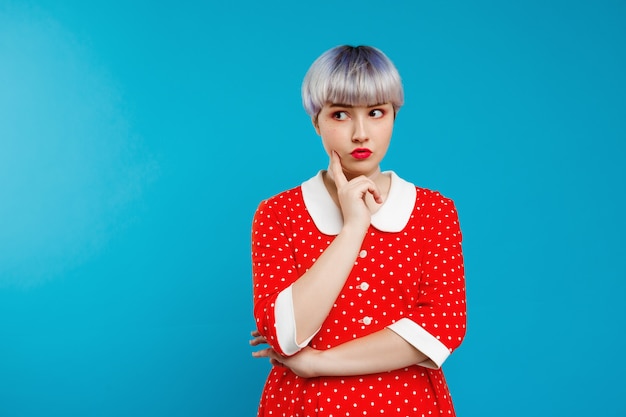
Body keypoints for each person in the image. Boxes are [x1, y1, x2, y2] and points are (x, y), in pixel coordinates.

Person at [249, 45, 466, 417]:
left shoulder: (434, 212)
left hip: (407, 405)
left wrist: (317, 363)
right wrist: (353, 228)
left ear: (394, 116)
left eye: (376, 112)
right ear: (316, 121)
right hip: (305, 406)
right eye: (340, 115)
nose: (361, 133)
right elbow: (285, 335)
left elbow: (440, 329)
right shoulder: (278, 214)